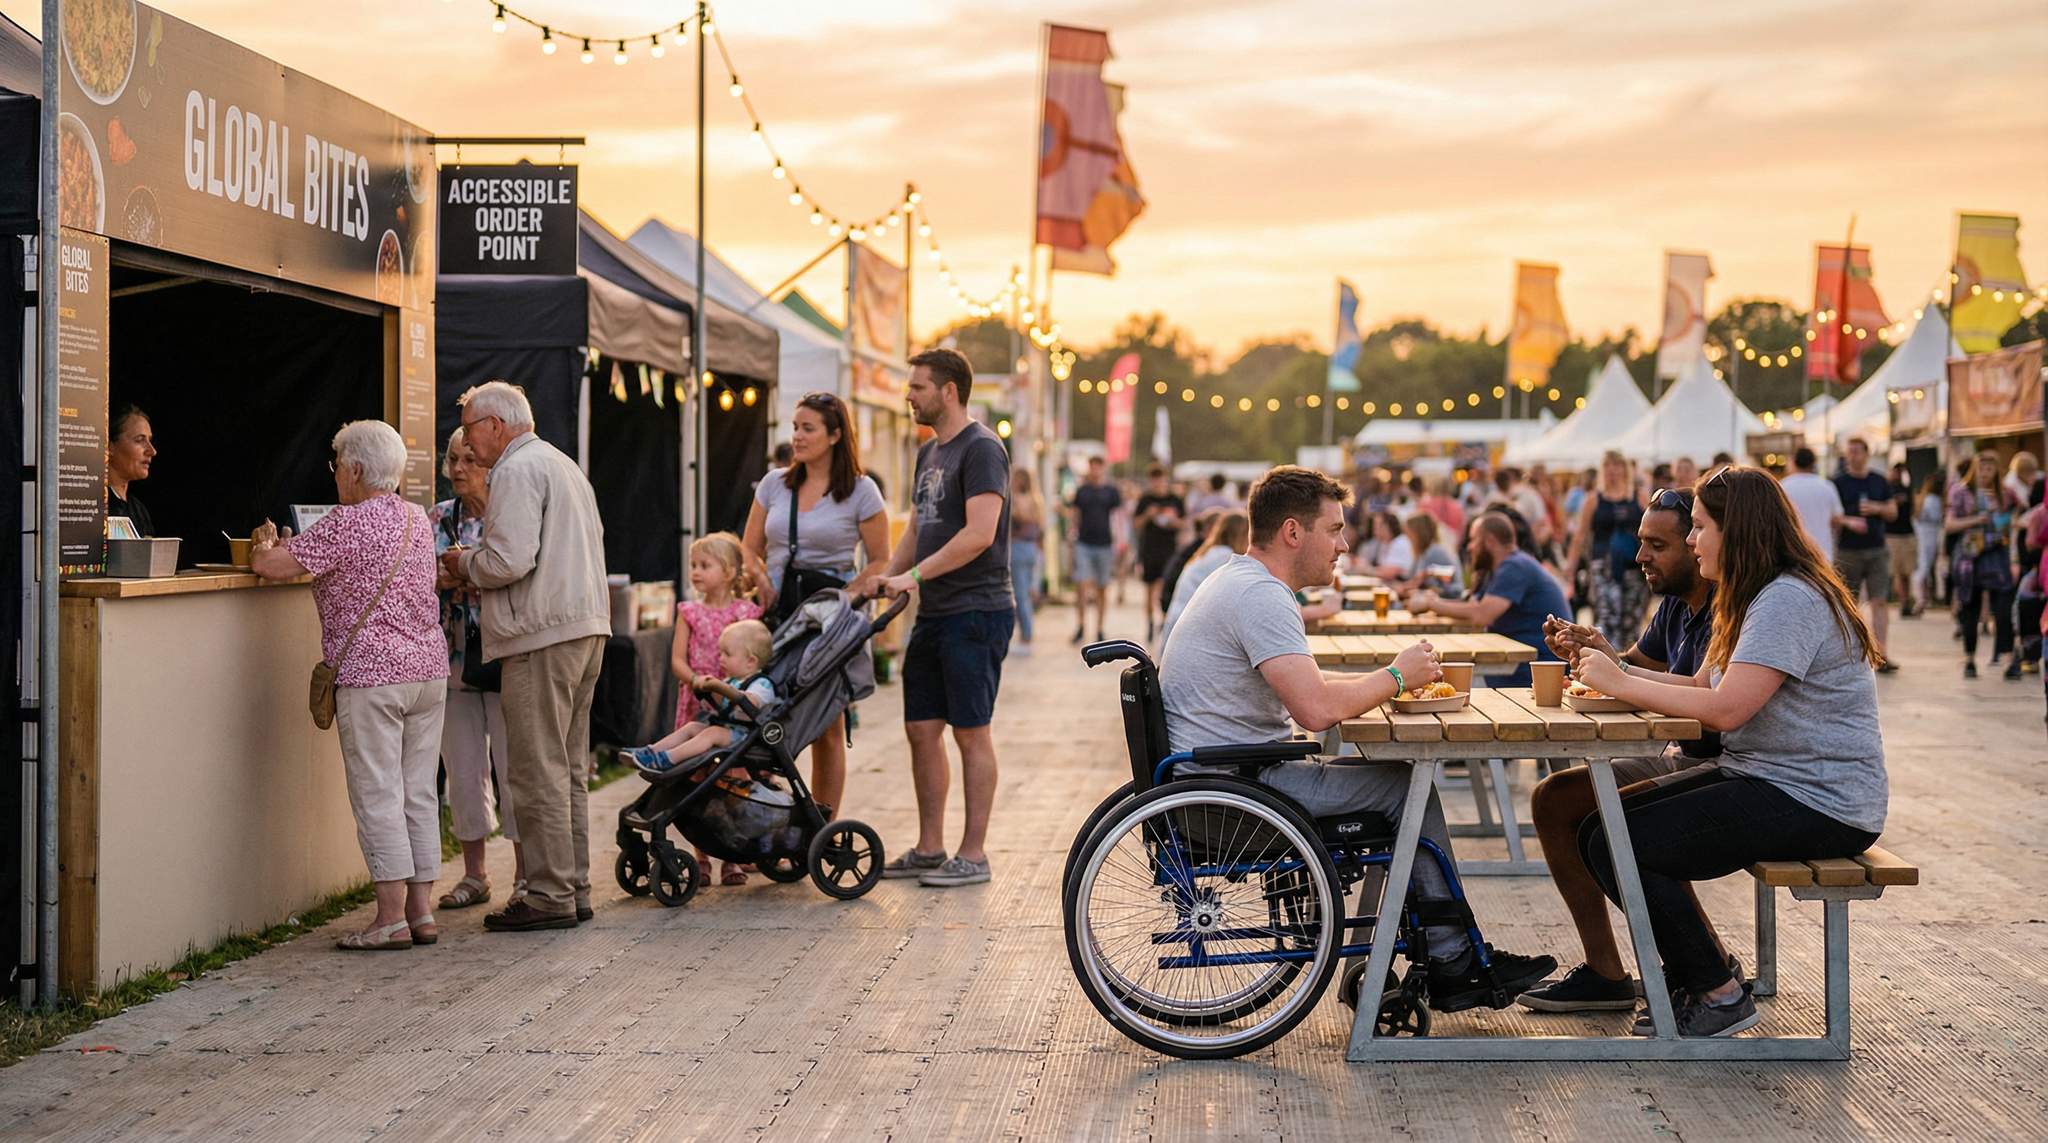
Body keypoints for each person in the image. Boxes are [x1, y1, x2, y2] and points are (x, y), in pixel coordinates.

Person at [1160, 465, 1555, 1010]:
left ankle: (1447, 951)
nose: (1345, 544)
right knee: (1405, 788)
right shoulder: (1261, 597)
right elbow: (1318, 710)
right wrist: (1395, 677)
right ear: (1293, 532)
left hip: (1222, 777)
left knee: (1401, 780)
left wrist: (1385, 685)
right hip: (1236, 794)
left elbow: (1312, 689)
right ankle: (1452, 959)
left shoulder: (1241, 582)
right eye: (1335, 529)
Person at [1563, 466, 1886, 1037]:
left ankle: (1718, 991)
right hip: (1770, 779)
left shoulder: (1788, 598)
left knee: (1624, 838)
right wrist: (1620, 673)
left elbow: (1728, 708)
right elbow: (1700, 690)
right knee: (1600, 829)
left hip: (1821, 800)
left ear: (1736, 532)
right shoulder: (1755, 594)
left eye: (1700, 527)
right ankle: (1704, 974)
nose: (1691, 540)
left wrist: (1620, 682)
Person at [1518, 487, 1721, 1012]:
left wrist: (1615, 671)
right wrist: (1594, 652)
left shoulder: (1731, 609)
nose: (1639, 557)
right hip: (1688, 754)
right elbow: (1636, 668)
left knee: (1620, 814)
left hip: (1720, 760)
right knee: (1555, 799)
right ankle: (1606, 973)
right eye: (1639, 542)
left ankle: (1710, 967)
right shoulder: (1675, 606)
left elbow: (1703, 696)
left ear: (1698, 546)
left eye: (1658, 545)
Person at [250, 421, 447, 950]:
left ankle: (389, 918)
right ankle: (421, 911)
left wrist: (263, 543)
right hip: (428, 670)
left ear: (355, 470)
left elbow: (271, 566)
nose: (336, 474)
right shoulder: (416, 518)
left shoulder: (346, 522)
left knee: (378, 792)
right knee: (418, 792)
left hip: (371, 676)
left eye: (337, 465)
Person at [441, 381, 610, 932]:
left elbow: (509, 560)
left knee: (537, 770)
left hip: (541, 634)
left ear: (495, 424)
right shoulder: (562, 464)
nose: (466, 439)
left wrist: (465, 563)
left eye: (469, 426)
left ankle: (548, 894)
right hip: (584, 629)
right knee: (566, 770)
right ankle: (573, 886)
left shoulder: (514, 470)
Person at [875, 349, 1013, 888]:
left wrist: (916, 577)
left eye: (918, 386)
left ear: (949, 390)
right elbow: (918, 527)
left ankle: (973, 854)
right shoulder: (929, 452)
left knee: (971, 733)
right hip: (935, 612)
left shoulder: (982, 450)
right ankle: (929, 847)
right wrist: (888, 577)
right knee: (920, 729)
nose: (909, 395)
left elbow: (979, 534)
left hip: (976, 611)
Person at [742, 391, 888, 813]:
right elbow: (749, 548)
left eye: (808, 429)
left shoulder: (861, 491)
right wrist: (758, 577)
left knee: (826, 721)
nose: (798, 437)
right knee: (764, 713)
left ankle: (821, 820)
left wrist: (849, 596)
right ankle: (765, 814)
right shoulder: (774, 484)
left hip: (830, 619)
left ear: (836, 434)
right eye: (795, 428)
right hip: (780, 610)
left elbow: (881, 558)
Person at [429, 428, 521, 913]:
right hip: (453, 662)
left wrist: (462, 572)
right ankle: (475, 873)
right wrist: (466, 573)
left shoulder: (511, 514)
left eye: (469, 458)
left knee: (514, 769)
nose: (460, 468)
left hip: (507, 659)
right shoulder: (438, 517)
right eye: (452, 459)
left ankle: (526, 875)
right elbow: (427, 577)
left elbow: (516, 573)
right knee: (463, 770)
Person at [664, 532, 764, 883]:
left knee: (730, 778)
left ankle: (731, 856)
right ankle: (700, 854)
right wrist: (695, 680)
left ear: (729, 571)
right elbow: (677, 659)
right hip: (697, 704)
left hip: (732, 710)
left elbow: (759, 659)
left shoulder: (746, 613)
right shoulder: (688, 612)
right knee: (698, 778)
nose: (695, 572)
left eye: (704, 565)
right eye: (693, 565)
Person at [1409, 513, 1569, 686]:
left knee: (1451, 682)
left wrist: (1431, 604)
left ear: (1490, 541)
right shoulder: (1503, 567)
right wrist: (1434, 601)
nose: (1469, 547)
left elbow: (1481, 615)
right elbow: (1472, 606)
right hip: (1518, 662)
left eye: (1473, 540)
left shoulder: (1514, 566)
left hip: (1536, 669)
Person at [624, 619, 776, 775]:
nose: (720, 658)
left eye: (727, 654)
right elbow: (719, 707)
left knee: (712, 733)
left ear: (751, 661)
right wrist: (710, 690)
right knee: (693, 727)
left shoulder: (762, 684)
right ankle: (651, 751)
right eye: (720, 653)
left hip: (746, 736)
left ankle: (667, 759)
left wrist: (722, 688)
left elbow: (752, 702)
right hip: (728, 730)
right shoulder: (731, 681)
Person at [1561, 451, 1648, 650]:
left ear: (1625, 470)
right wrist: (1571, 566)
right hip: (1603, 565)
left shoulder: (1639, 497)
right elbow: (1580, 535)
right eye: (1608, 466)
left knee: (1631, 618)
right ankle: (1608, 661)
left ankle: (1629, 664)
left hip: (1633, 565)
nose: (1612, 471)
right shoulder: (1593, 500)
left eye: (1617, 466)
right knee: (1606, 616)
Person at [1948, 449, 2021, 679]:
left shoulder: (2006, 494)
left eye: (1990, 468)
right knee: (1970, 607)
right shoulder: (1961, 491)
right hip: (1970, 557)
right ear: (1974, 468)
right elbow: (1949, 525)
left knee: (2003, 609)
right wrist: (1975, 520)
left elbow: (2019, 511)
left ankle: (2009, 659)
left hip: (1997, 555)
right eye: (1981, 467)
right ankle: (1970, 659)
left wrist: (2012, 524)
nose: (1985, 473)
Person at [1830, 438, 1897, 672]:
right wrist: (1849, 522)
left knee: (1879, 600)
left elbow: (1893, 511)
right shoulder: (1838, 483)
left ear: (1867, 454)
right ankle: (1854, 654)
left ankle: (1882, 653)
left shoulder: (1878, 481)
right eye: (1849, 452)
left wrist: (1877, 508)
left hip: (1876, 547)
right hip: (1849, 549)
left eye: (1857, 451)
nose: (1853, 456)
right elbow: (1832, 515)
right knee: (1850, 603)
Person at [1160, 510, 1248, 648]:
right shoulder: (1225, 557)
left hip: (1177, 623)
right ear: (1241, 535)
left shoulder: (1211, 552)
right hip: (1187, 630)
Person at [1066, 457, 1120, 644]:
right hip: (1084, 543)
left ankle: (1099, 627)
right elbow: (1075, 514)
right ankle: (1081, 624)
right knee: (1081, 585)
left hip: (1104, 543)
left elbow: (1117, 517)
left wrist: (1119, 539)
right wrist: (1071, 535)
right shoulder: (1083, 491)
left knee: (1102, 587)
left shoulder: (1111, 492)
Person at [1134, 464, 1188, 641]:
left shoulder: (1175, 499)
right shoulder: (1146, 499)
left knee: (1165, 586)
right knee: (1149, 588)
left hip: (1168, 548)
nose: (1158, 483)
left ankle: (1164, 620)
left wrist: (1173, 522)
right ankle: (1150, 622)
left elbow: (1184, 523)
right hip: (1149, 547)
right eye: (1154, 480)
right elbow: (1136, 524)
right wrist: (1148, 515)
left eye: (1160, 479)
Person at [1780, 447, 1843, 563]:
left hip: (1792, 554)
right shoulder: (1827, 486)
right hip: (1823, 553)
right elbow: (1837, 521)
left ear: (1794, 462)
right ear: (1814, 463)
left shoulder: (1782, 487)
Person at [1008, 468, 1047, 657]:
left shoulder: (1018, 500)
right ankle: (1027, 634)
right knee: (1027, 593)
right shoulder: (1037, 500)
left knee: (1020, 594)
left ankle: (1026, 636)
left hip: (1018, 548)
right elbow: (1041, 528)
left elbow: (1018, 517)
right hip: (1032, 549)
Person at [104, 404, 157, 537]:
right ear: (109, 446)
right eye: (139, 440)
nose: (152, 451)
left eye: (150, 440)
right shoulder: (94, 509)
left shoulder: (139, 510)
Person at [1396, 511, 1464, 595]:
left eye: (1409, 534)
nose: (1407, 538)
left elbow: (1442, 585)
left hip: (1450, 597)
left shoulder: (1434, 551)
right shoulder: (1422, 552)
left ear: (1418, 534)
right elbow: (1414, 579)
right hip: (1436, 597)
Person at [1885, 463, 1919, 618]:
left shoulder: (1908, 489)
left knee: (1907, 572)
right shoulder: (1886, 490)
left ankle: (1906, 602)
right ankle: (1900, 601)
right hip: (1891, 535)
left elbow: (1914, 510)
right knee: (1896, 571)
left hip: (1907, 534)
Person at [1911, 470, 1946, 615]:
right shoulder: (1934, 500)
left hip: (1923, 535)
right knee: (1924, 567)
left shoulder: (1923, 498)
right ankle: (1921, 599)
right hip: (1930, 536)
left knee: (1923, 566)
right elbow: (1937, 518)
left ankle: (1922, 598)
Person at [1355, 510, 1412, 580]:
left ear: (1387, 526)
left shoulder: (1400, 542)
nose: (1374, 529)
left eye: (1377, 525)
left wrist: (1366, 569)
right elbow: (1382, 568)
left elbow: (1389, 574)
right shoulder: (1383, 543)